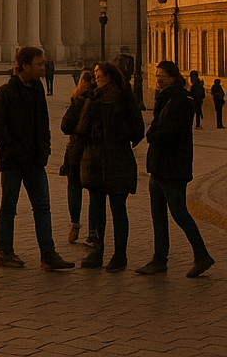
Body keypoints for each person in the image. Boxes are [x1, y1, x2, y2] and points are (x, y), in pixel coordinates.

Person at [0, 46, 74, 271]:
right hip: (13, 161)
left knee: (43, 207)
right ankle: (5, 252)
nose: (43, 67)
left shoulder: (37, 88)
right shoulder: (5, 92)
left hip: (35, 161)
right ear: (24, 66)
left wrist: (44, 148)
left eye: (43, 63)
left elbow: (43, 122)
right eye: (39, 64)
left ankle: (48, 253)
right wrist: (16, 150)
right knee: (8, 207)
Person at [136, 60, 215, 278]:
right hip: (160, 167)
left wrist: (152, 135)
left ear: (172, 78)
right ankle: (159, 259)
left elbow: (164, 133)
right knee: (158, 215)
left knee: (179, 213)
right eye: (157, 75)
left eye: (162, 75)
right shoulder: (166, 99)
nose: (158, 78)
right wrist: (154, 133)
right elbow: (157, 128)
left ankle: (201, 255)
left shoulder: (179, 100)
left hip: (172, 167)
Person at [76, 61, 144, 271]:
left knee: (118, 209)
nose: (96, 76)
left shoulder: (124, 98)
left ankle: (119, 255)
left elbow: (138, 128)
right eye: (95, 72)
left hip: (117, 161)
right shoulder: (93, 97)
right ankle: (96, 252)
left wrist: (121, 139)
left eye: (99, 73)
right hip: (95, 161)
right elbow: (81, 128)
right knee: (96, 209)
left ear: (110, 76)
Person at [58, 68, 94, 245]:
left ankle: (75, 222)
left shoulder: (77, 101)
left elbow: (65, 125)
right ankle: (94, 230)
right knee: (95, 191)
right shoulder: (102, 101)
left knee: (74, 186)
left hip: (76, 150)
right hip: (93, 151)